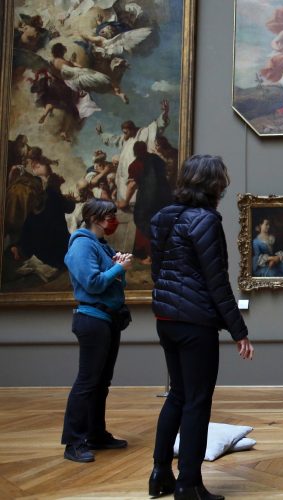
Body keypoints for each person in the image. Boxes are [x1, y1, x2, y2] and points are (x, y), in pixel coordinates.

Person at [149, 155, 254, 500]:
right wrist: (239, 330)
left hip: (166, 320)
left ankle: (160, 473)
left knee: (177, 395)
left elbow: (159, 273)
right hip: (195, 323)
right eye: (222, 181)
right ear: (214, 185)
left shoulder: (162, 216)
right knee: (196, 401)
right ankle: (189, 484)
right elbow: (217, 283)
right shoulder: (206, 221)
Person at [62, 198, 133, 463]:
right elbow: (92, 284)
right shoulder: (82, 244)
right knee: (87, 381)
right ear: (95, 218)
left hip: (107, 319)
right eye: (109, 215)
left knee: (101, 382)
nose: (113, 219)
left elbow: (115, 282)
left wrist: (117, 265)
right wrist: (118, 266)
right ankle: (73, 442)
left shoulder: (101, 245)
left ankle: (96, 434)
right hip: (92, 319)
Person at [96, 99, 169, 252]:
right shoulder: (126, 140)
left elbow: (158, 126)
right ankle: (129, 245)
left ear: (132, 129)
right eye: (123, 133)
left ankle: (139, 247)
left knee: (139, 214)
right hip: (126, 183)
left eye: (126, 132)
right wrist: (102, 134)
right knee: (128, 212)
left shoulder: (143, 133)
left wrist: (165, 113)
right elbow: (113, 140)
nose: (124, 135)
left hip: (138, 184)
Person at [119, 140, 173, 263]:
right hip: (165, 197)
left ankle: (151, 257)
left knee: (144, 222)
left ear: (135, 151)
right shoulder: (157, 159)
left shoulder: (135, 165)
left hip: (148, 198)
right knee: (162, 223)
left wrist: (125, 201)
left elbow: (132, 185)